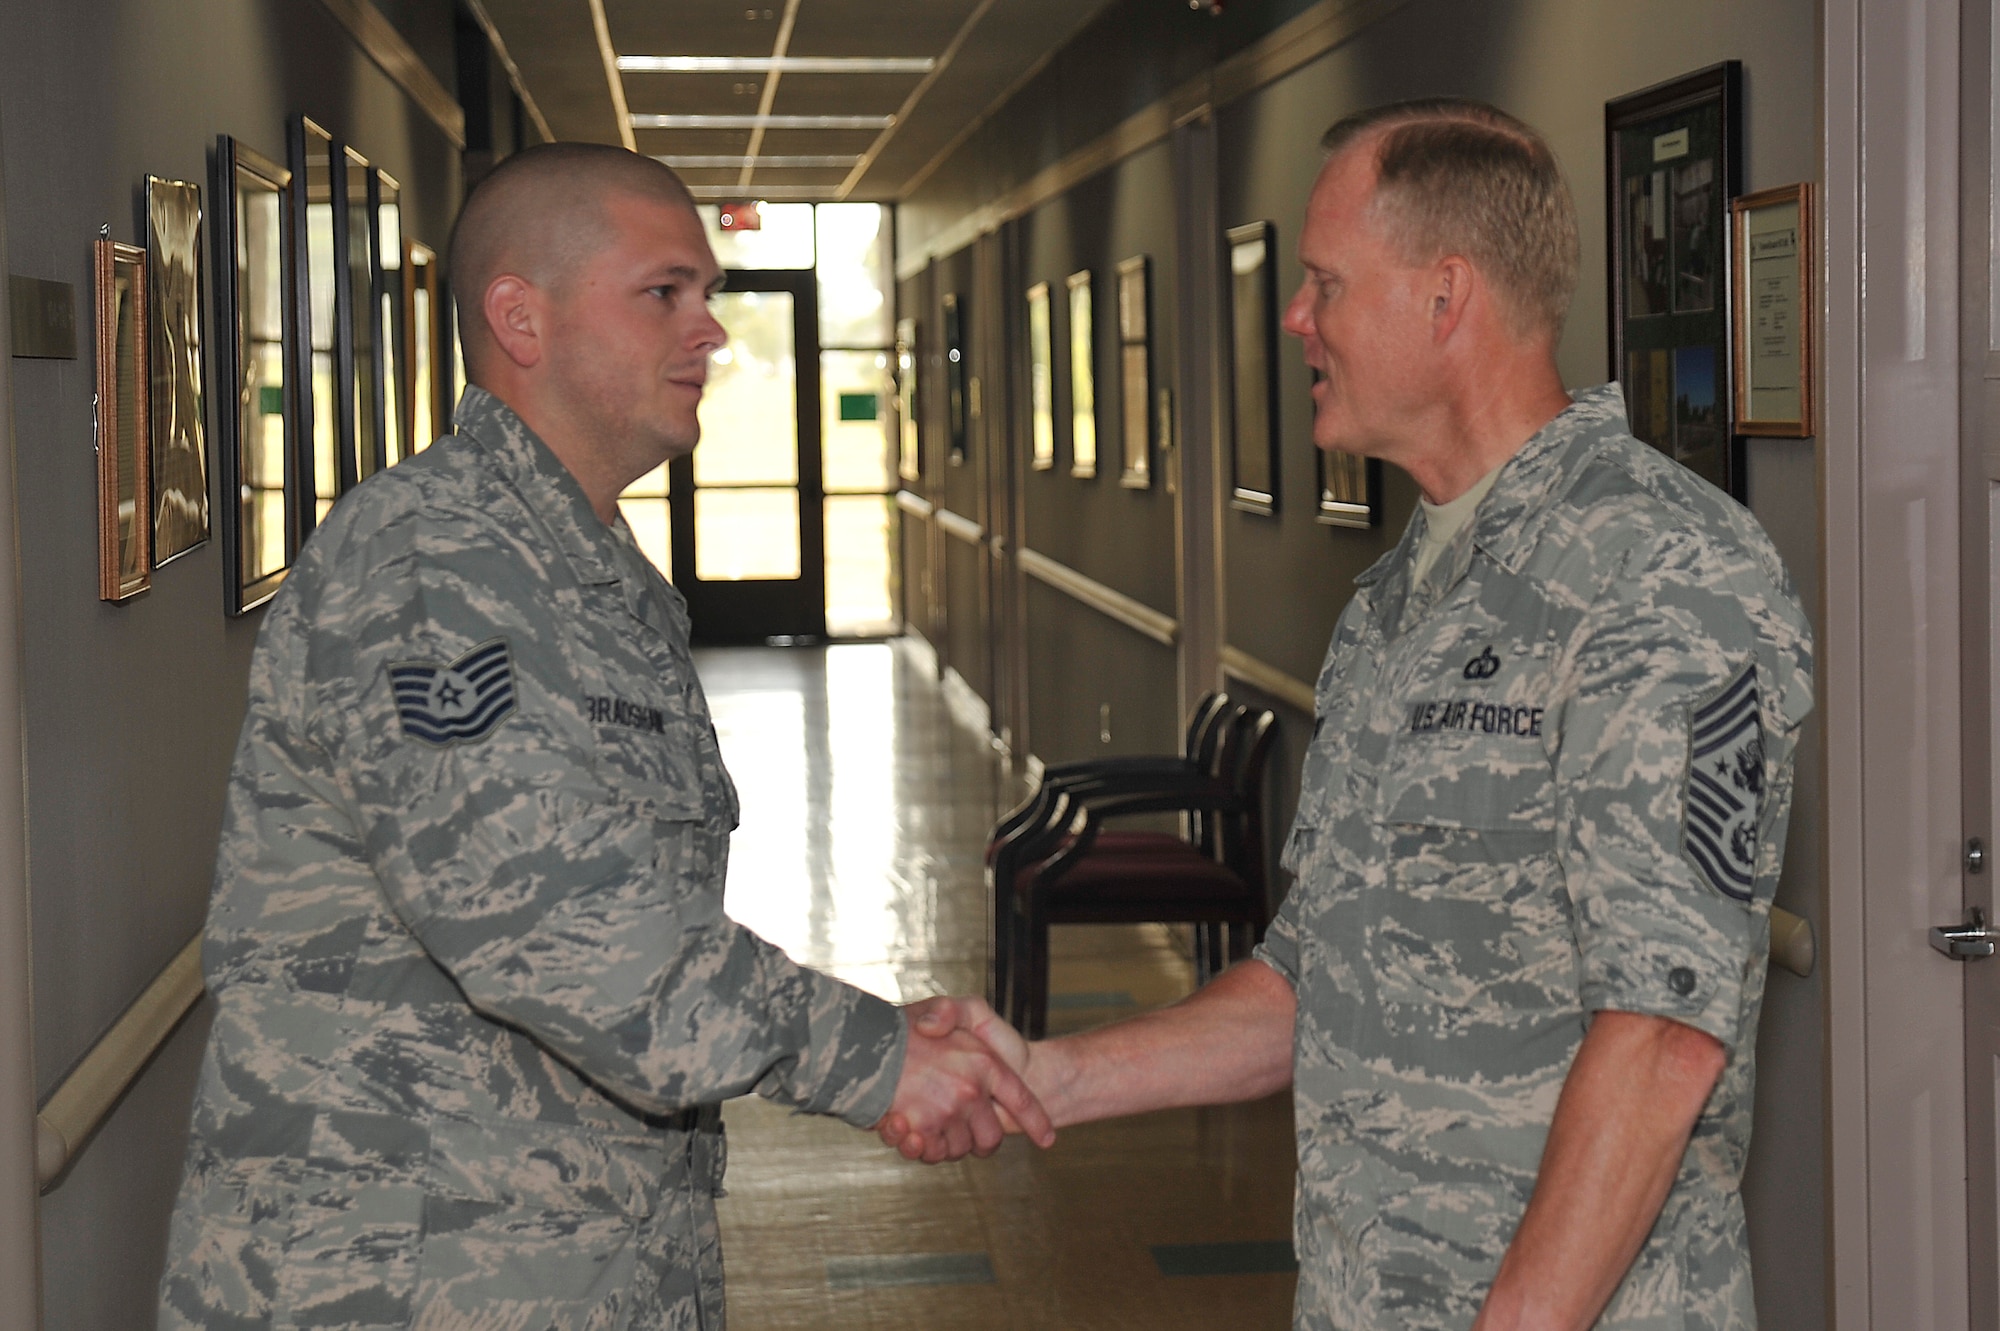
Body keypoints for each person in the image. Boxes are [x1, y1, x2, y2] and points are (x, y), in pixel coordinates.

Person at [894, 99, 1812, 1331]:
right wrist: (1041, 1071)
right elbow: (1311, 976)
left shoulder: (1660, 571)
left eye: (1323, 280)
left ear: (1443, 298)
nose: (1293, 316)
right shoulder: (1393, 602)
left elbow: (1660, 1037)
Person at [157, 143, 1049, 1331]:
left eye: (709, 296)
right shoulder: (435, 561)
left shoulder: (578, 568)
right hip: (396, 1281)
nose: (710, 333)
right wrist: (875, 1053)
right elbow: (562, 925)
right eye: (662, 293)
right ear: (518, 318)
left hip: (563, 1264)